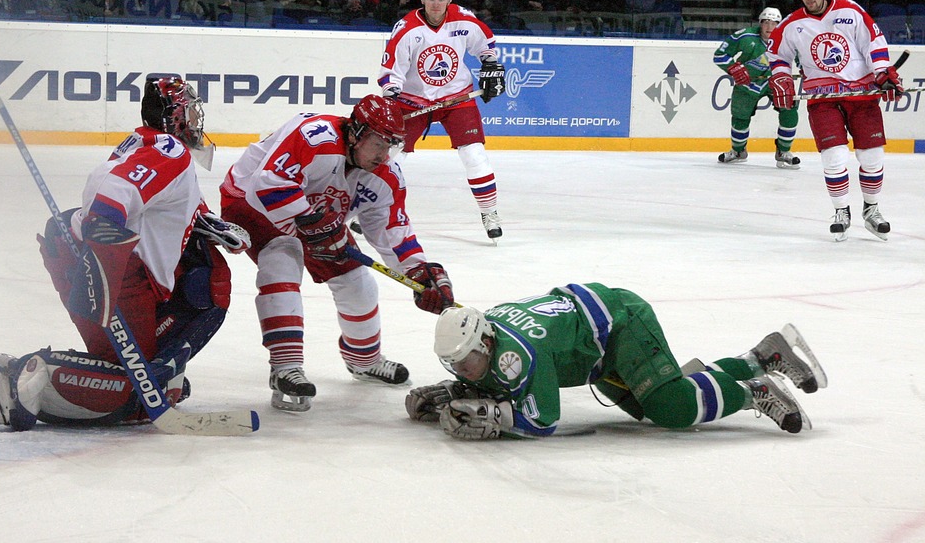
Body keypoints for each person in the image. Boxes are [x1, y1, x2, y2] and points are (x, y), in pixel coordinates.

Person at [0, 77, 250, 431]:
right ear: (177, 116)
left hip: (84, 253)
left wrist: (208, 222)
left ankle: (64, 380)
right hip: (114, 266)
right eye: (191, 111)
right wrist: (104, 269)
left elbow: (150, 199)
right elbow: (114, 197)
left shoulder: (142, 144)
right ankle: (23, 375)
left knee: (143, 382)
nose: (197, 121)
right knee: (136, 391)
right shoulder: (170, 151)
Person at [219, 94, 456, 413]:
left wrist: (420, 272)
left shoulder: (385, 176)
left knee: (358, 282)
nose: (384, 155)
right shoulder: (314, 136)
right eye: (379, 144)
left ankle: (364, 360)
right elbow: (267, 184)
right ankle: (285, 367)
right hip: (249, 201)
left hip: (316, 214)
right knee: (283, 257)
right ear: (356, 133)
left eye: (392, 146)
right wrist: (309, 223)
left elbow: (391, 232)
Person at [406, 283, 827, 439]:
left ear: (485, 340)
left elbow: (542, 419)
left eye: (467, 362)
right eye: (454, 366)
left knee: (673, 408)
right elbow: (491, 377)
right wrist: (453, 392)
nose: (463, 371)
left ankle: (754, 391)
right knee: (652, 405)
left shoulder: (520, 353)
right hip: (599, 350)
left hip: (620, 324)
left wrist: (493, 415)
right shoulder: (488, 337)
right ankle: (763, 356)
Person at [767, 0, 904, 241]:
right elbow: (776, 54)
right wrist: (781, 78)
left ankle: (871, 210)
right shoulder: (793, 24)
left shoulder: (850, 11)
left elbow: (874, 43)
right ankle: (842, 212)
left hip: (861, 94)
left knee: (872, 156)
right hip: (822, 98)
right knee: (834, 157)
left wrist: (882, 72)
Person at [377, 0, 507, 242]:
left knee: (474, 154)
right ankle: (374, 209)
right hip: (412, 100)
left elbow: (486, 47)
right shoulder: (407, 28)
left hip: (456, 98)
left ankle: (489, 212)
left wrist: (491, 65)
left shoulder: (464, 19)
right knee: (392, 157)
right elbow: (391, 72)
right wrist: (391, 97)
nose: (436, 3)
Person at [713, 7, 801, 169]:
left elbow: (802, 58)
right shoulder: (744, 36)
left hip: (778, 82)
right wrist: (733, 68)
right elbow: (720, 55)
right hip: (747, 83)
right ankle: (738, 151)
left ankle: (784, 152)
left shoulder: (788, 38)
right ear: (760, 23)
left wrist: (808, 72)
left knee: (789, 110)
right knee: (740, 116)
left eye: (774, 23)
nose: (770, 27)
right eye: (766, 22)